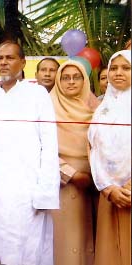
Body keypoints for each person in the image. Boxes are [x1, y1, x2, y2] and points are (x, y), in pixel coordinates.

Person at [0, 41, 60, 265]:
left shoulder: (37, 94)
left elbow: (50, 144)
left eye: (9, 58)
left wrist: (46, 191)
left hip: (27, 188)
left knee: (27, 246)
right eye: (0, 58)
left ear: (22, 62)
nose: (3, 62)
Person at [50, 60, 100, 265]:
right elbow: (39, 149)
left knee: (92, 240)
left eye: (76, 77)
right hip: (62, 185)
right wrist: (70, 174)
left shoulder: (98, 110)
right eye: (65, 77)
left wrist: (96, 176)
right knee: (67, 242)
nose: (71, 82)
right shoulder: (47, 108)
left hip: (96, 186)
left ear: (84, 80)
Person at [88, 50, 131, 265]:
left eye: (126, 68)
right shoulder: (102, 110)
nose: (118, 73)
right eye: (113, 68)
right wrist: (107, 187)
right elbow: (94, 150)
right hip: (110, 194)